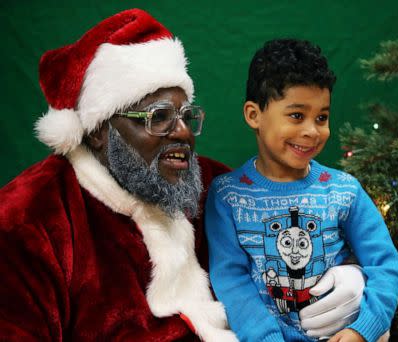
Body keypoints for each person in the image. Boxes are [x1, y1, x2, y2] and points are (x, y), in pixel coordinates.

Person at [0, 10, 365, 341]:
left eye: (186, 116)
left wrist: (350, 273)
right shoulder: (31, 221)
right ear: (99, 130)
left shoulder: (218, 187)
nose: (183, 133)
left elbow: (312, 230)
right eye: (159, 117)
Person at [205, 39, 398, 342]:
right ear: (254, 115)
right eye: (297, 115)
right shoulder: (228, 196)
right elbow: (230, 280)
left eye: (321, 117)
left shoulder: (343, 191)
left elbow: (384, 264)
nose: (312, 131)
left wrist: (365, 329)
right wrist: (266, 338)